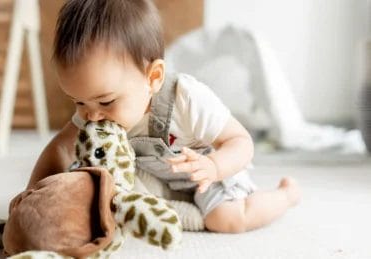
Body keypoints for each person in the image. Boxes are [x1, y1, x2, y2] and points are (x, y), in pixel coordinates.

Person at [26, 0, 301, 233]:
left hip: (210, 172)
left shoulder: (187, 98)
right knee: (102, 195)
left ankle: (285, 195)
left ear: (153, 77)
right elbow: (60, 147)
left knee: (226, 219)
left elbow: (241, 142)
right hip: (160, 177)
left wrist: (214, 166)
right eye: (78, 101)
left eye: (107, 101)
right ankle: (176, 207)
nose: (92, 115)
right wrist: (33, 194)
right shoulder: (94, 110)